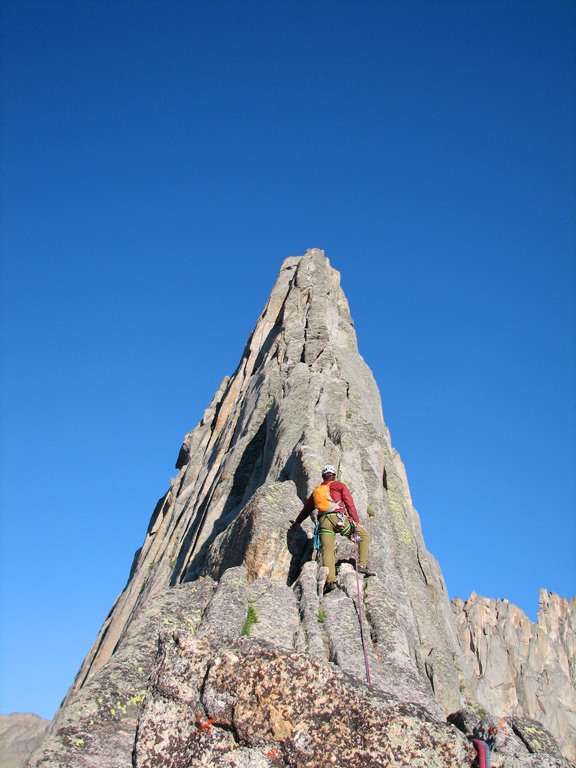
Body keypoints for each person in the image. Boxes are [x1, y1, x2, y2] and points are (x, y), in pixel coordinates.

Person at [290, 465, 376, 593]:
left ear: (323, 477)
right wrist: (355, 522)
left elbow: (307, 509)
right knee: (364, 537)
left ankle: (331, 581)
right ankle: (361, 565)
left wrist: (297, 522)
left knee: (327, 551)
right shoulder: (339, 486)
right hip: (339, 519)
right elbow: (349, 503)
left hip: (324, 522)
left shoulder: (317, 491)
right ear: (334, 475)